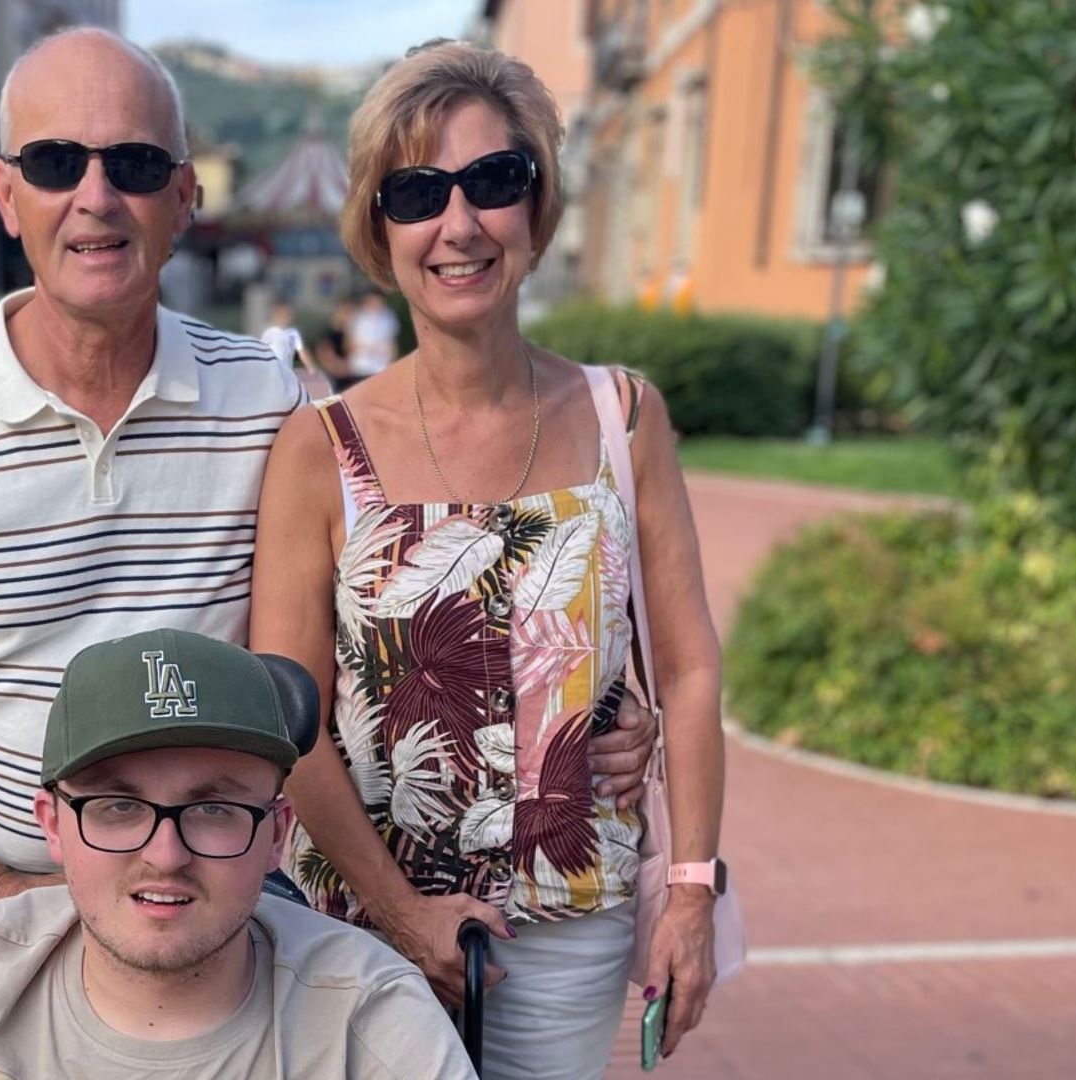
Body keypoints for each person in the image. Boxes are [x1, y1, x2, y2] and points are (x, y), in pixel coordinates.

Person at [0, 26, 657, 1015]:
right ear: (6, 192)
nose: (96, 197)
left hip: (198, 914)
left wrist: (584, 711)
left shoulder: (268, 400)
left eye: (135, 164)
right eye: (57, 162)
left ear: (186, 197)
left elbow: (389, 607)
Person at [249, 41, 726, 1079]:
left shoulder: (623, 416)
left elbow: (689, 669)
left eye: (493, 180)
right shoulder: (320, 449)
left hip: (567, 935)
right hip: (360, 936)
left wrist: (691, 890)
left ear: (537, 205)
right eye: (419, 192)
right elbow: (291, 723)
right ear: (380, 227)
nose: (459, 224)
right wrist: (402, 910)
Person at [0, 629, 477, 1079]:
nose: (165, 855)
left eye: (214, 810)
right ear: (53, 825)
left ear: (276, 834)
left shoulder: (371, 1020)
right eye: (118, 807)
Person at [260, 299, 333, 400]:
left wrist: (312, 368)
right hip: (273, 373)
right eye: (282, 314)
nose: (285, 318)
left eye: (288, 315)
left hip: (286, 374)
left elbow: (302, 352)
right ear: (275, 315)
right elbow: (262, 352)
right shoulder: (269, 332)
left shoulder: (293, 333)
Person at [345, 291, 400, 380]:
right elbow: (349, 343)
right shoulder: (357, 318)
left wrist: (392, 363)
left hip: (381, 367)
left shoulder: (389, 317)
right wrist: (367, 349)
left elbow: (392, 343)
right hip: (361, 367)